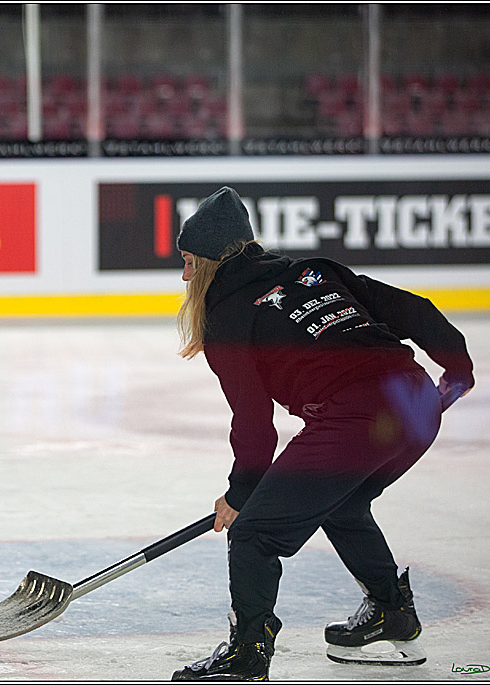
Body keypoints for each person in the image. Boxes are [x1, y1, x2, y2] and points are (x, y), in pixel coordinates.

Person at [169, 187, 474, 680]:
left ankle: (246, 655)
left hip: (358, 418)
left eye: (188, 262)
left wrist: (241, 493)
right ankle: (391, 610)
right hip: (416, 403)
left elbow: (252, 420)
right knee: (342, 502)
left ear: (208, 261)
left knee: (253, 537)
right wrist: (457, 367)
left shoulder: (227, 316)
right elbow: (413, 309)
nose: (184, 276)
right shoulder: (315, 271)